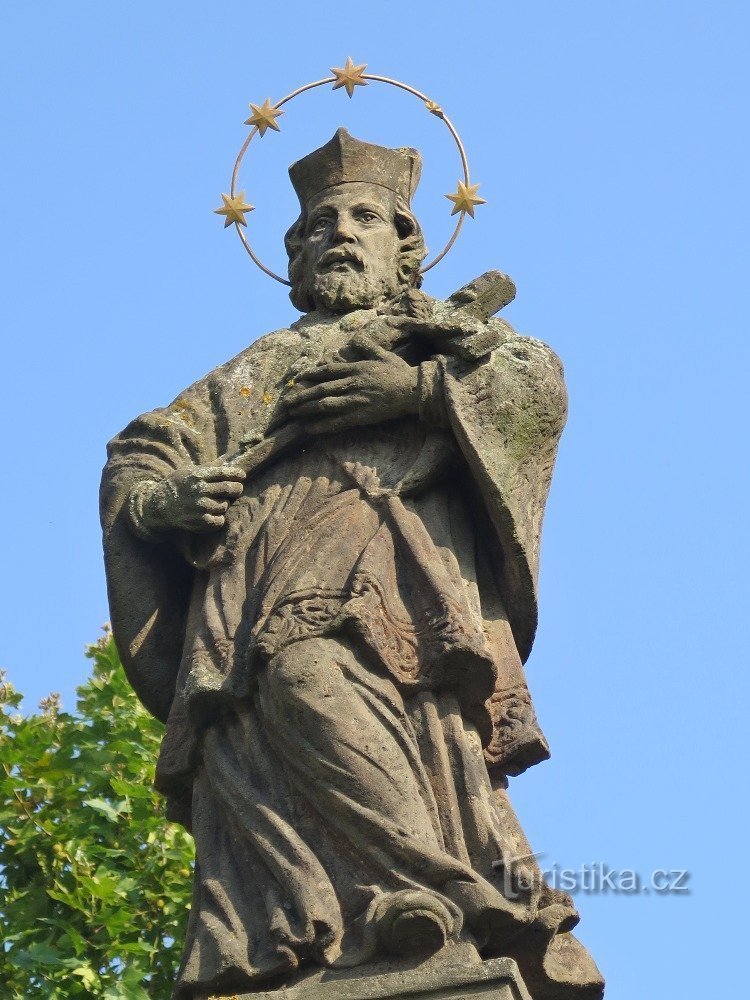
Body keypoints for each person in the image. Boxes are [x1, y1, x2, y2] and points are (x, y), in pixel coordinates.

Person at [101, 129, 603, 999]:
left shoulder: (443, 336)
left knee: (308, 675)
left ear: (404, 246)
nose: (340, 231)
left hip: (391, 583)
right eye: (320, 222)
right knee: (261, 721)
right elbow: (142, 451)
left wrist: (415, 394)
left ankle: (432, 888)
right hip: (247, 593)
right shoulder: (250, 373)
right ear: (292, 251)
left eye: (365, 217)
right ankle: (331, 918)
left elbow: (533, 383)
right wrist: (162, 502)